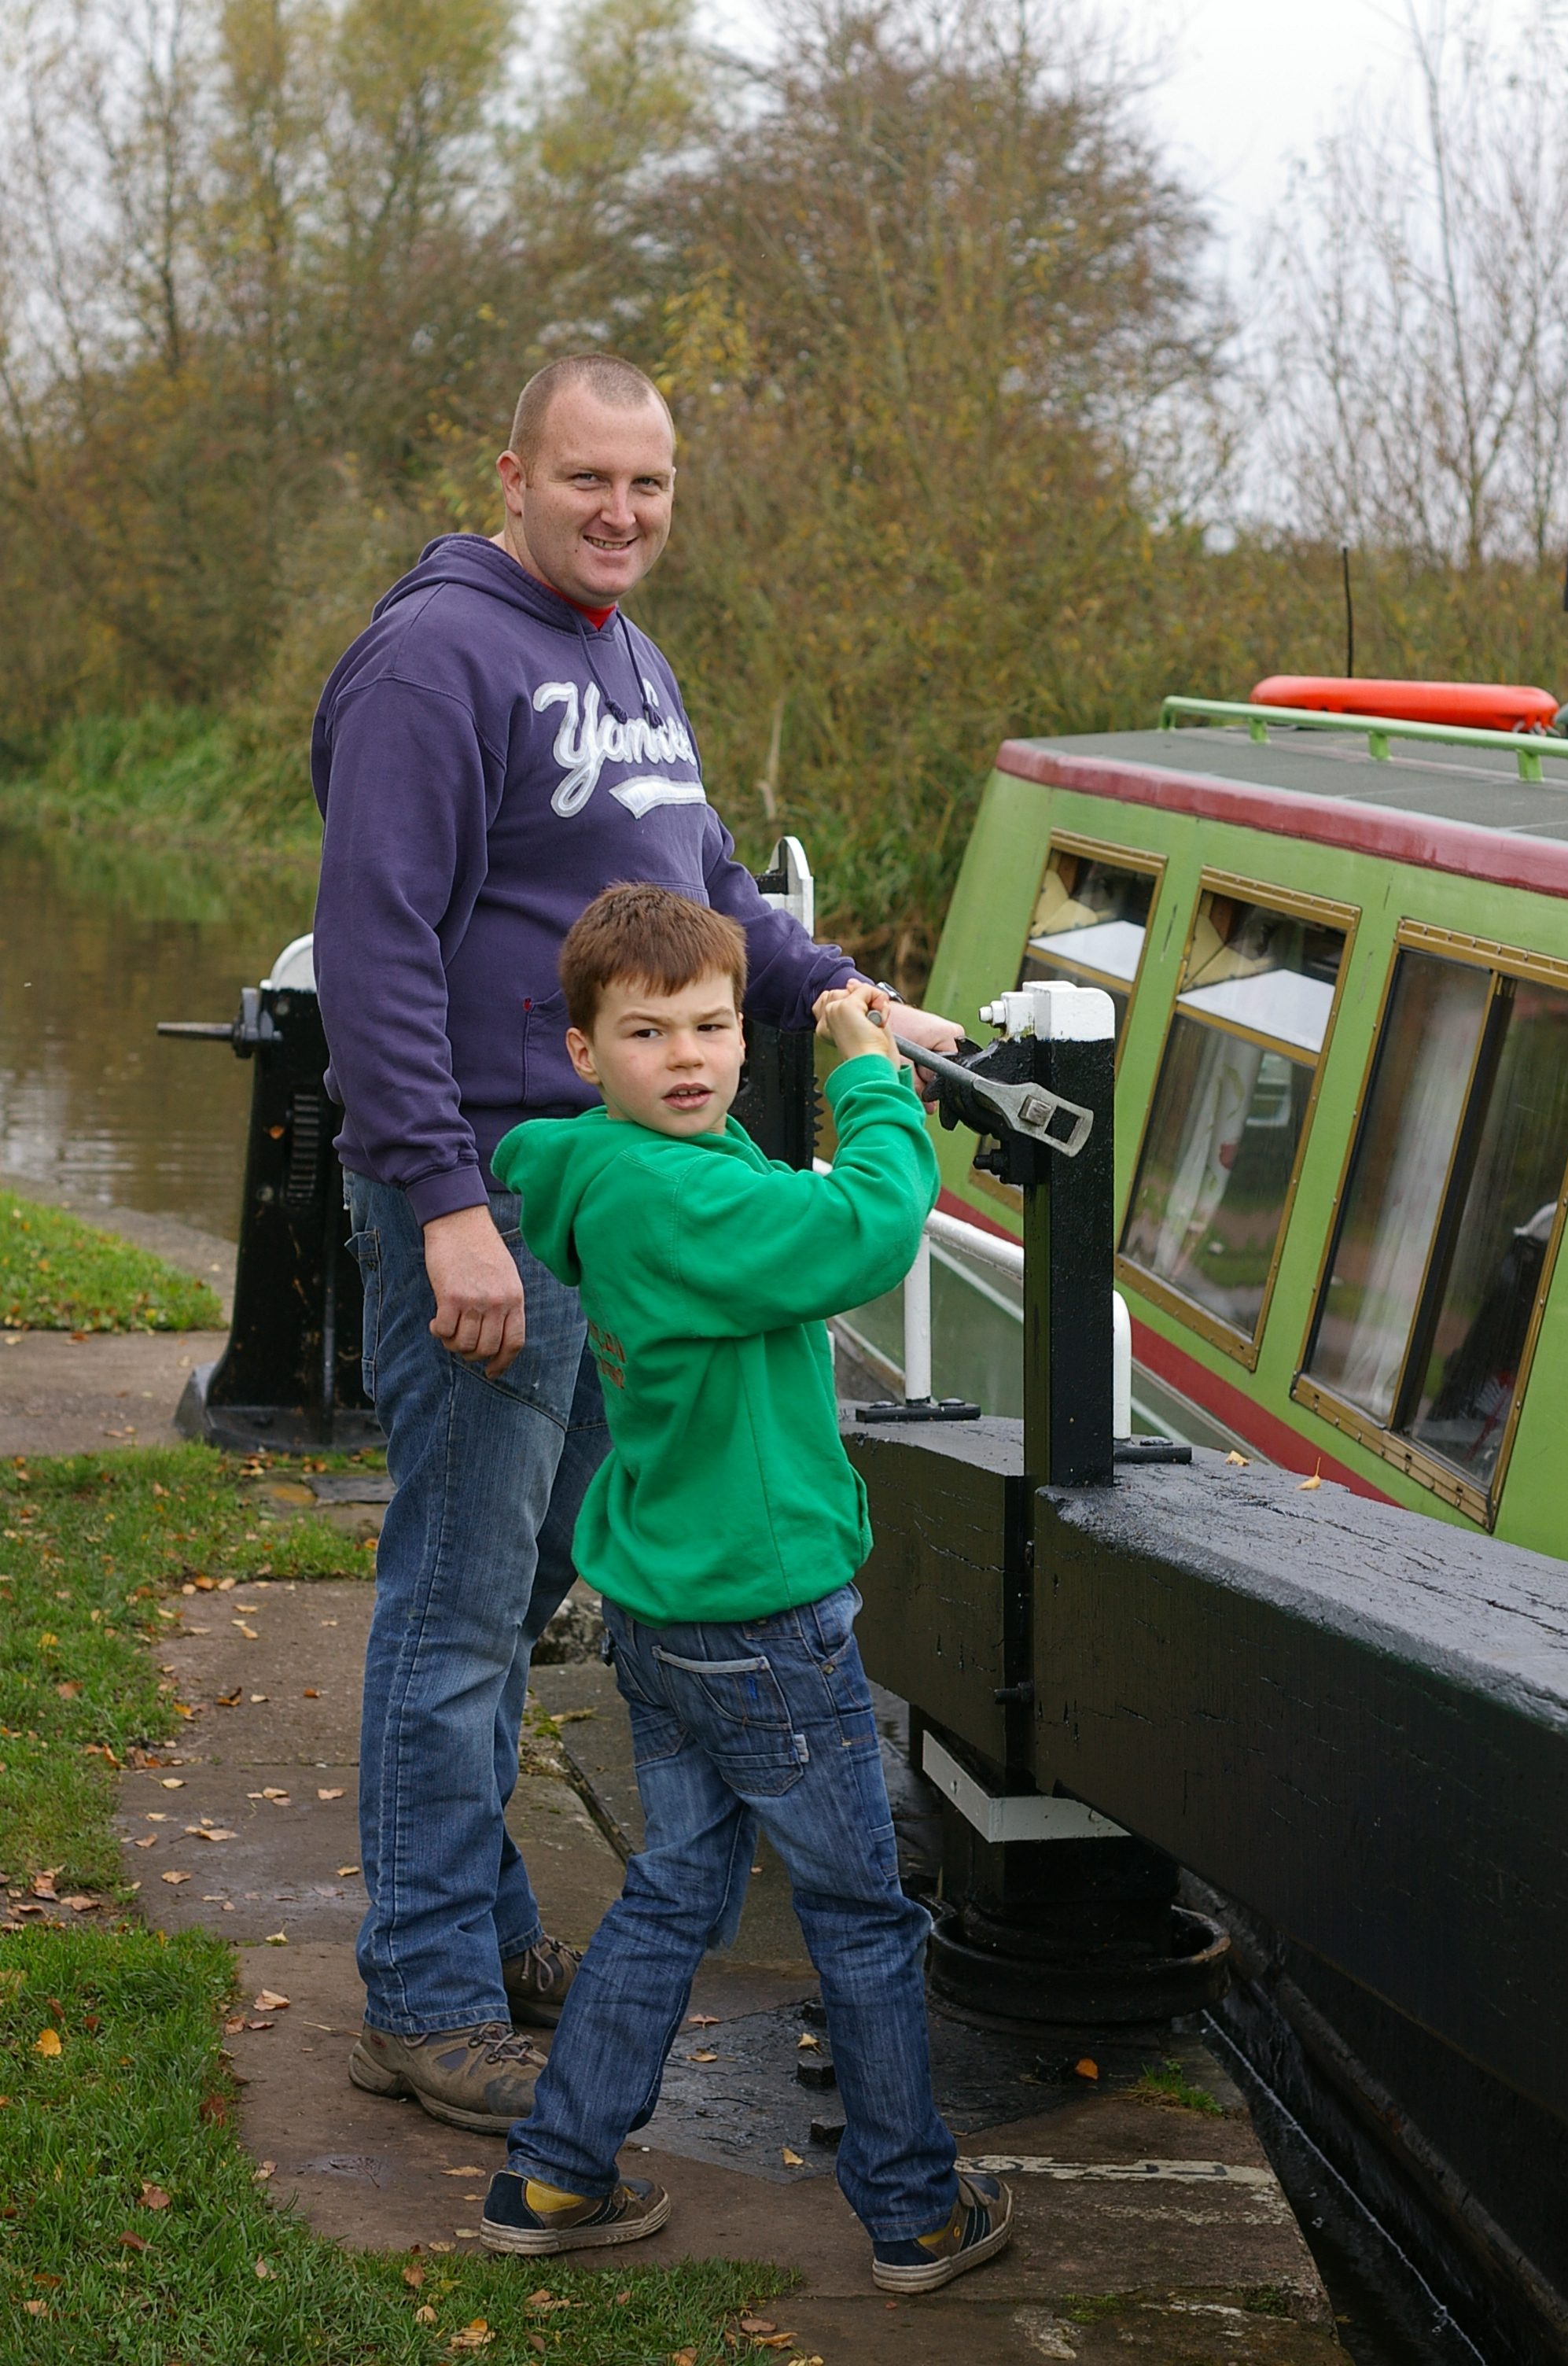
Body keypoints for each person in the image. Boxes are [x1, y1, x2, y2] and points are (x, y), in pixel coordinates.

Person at [310, 352, 964, 2132]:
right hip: (501, 1206)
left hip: (617, 1211)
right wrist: (445, 1204)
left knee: (520, 1594)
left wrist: (837, 993)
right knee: (454, 1609)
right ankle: (426, 1995)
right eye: (588, 480)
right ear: (510, 473)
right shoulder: (435, 660)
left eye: (650, 487)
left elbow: (716, 903)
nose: (620, 515)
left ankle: (473, 1920)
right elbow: (369, 946)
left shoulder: (629, 659)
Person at [477, 883, 1014, 2293]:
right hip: (762, 1618)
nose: (694, 1058)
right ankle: (913, 2209)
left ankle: (552, 2174)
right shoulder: (675, 1192)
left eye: (714, 1025)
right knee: (859, 1914)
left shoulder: (613, 1168)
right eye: (648, 1034)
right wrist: (874, 1083)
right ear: (586, 1053)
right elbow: (864, 1232)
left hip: (672, 1600)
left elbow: (770, 1205)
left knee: (677, 1889)